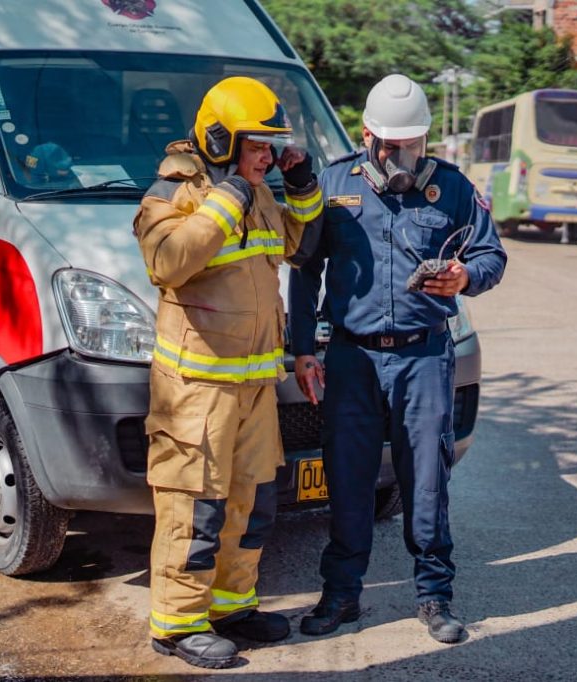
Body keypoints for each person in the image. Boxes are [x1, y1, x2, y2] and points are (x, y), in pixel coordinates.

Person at [288, 73, 507, 644]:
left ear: (425, 138)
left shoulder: (454, 188)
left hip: (424, 357)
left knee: (427, 481)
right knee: (348, 478)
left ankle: (435, 596)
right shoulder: (334, 184)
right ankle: (341, 595)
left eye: (411, 144)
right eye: (390, 144)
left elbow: (490, 254)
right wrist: (301, 350)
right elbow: (305, 267)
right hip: (352, 360)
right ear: (367, 135)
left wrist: (466, 274)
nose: (400, 155)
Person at [132, 76, 324, 669]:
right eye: (259, 146)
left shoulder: (256, 187)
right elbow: (167, 262)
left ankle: (231, 606)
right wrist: (229, 197)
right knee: (197, 507)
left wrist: (302, 187)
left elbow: (296, 246)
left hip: (252, 387)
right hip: (197, 390)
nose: (268, 156)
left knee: (253, 502)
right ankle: (177, 622)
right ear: (220, 140)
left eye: (273, 147)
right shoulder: (174, 192)